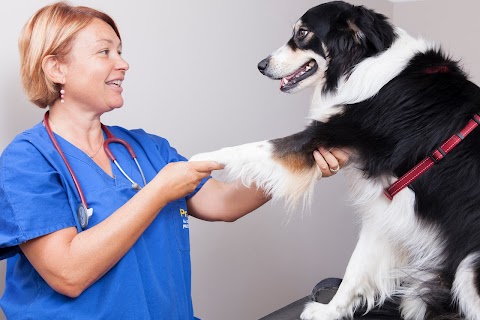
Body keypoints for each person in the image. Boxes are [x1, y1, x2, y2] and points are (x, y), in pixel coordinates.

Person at [0, 2, 349, 319]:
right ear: (57, 68)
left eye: (120, 51)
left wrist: (304, 161)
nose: (123, 63)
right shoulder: (27, 161)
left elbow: (224, 203)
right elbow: (68, 273)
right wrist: (158, 192)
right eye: (104, 52)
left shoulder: (146, 148)